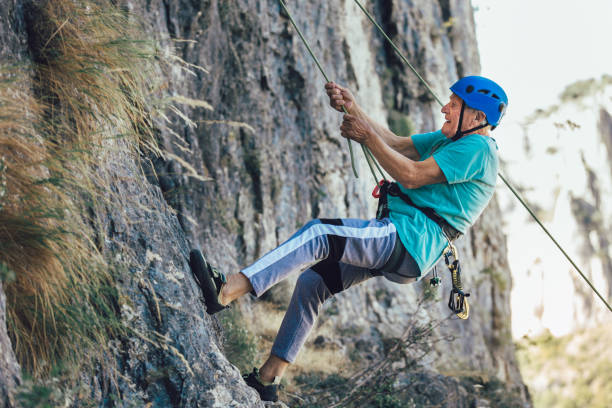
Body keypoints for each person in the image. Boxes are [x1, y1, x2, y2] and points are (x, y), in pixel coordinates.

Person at [189, 75, 508, 402]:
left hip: (406, 239)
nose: (444, 109)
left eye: (454, 105)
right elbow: (395, 142)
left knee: (320, 233)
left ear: (477, 117)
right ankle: (268, 379)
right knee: (314, 282)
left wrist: (367, 138)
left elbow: (411, 176)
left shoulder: (478, 148)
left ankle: (226, 290)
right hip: (408, 250)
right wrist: (353, 107)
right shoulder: (451, 140)